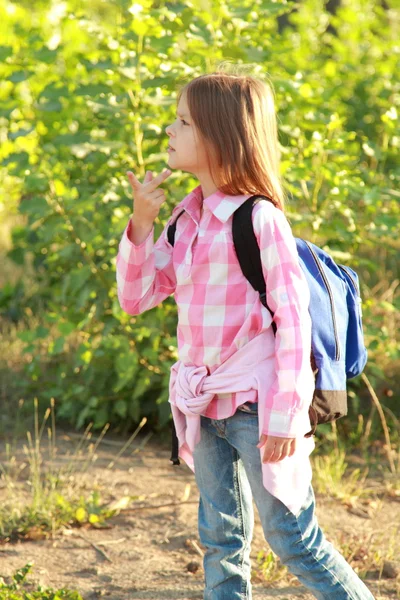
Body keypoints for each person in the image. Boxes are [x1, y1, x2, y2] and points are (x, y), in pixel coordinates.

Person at [116, 67, 375, 600]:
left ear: (220, 137)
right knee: (219, 537)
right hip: (204, 404)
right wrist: (141, 223)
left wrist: (285, 416)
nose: (169, 130)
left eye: (183, 122)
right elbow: (135, 298)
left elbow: (293, 322)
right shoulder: (185, 220)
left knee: (293, 538)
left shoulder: (259, 220)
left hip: (259, 408)